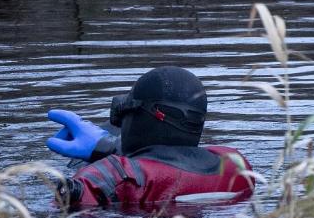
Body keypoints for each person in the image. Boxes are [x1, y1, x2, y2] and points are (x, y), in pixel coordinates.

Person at [46, 66, 254, 208]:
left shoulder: (112, 175)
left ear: (139, 118)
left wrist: (94, 161)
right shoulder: (235, 164)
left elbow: (60, 211)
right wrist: (110, 149)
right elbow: (168, 162)